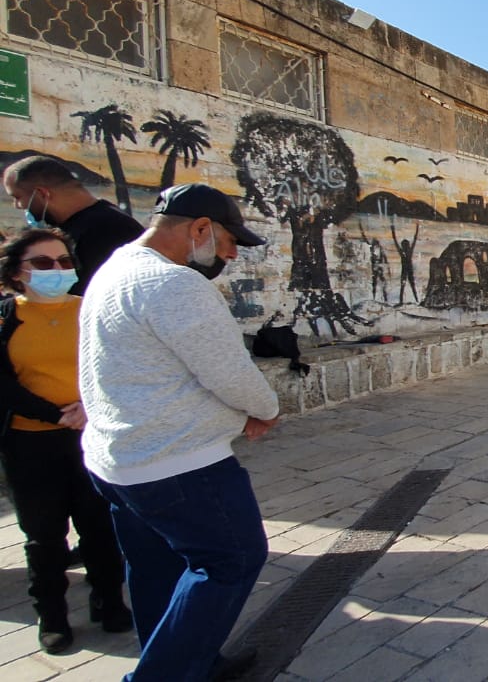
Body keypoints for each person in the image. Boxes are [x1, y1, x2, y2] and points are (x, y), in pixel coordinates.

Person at [79, 183, 281, 682]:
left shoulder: (117, 267)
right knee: (231, 560)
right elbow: (230, 372)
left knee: (156, 569)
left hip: (119, 459)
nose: (232, 254)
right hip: (178, 465)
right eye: (230, 241)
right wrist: (265, 409)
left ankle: (192, 659)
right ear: (199, 229)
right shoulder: (175, 285)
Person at [0, 229, 132, 654]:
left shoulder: (92, 308)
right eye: (43, 263)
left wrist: (88, 408)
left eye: (63, 261)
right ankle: (52, 615)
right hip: (31, 444)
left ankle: (108, 600)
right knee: (44, 535)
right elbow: (3, 384)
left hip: (93, 436)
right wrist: (57, 413)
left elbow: (119, 362)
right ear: (18, 273)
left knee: (101, 526)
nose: (57, 270)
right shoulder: (5, 318)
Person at [3, 154, 144, 295]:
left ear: (42, 194)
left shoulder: (109, 230)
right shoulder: (74, 226)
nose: (17, 206)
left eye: (17, 197)